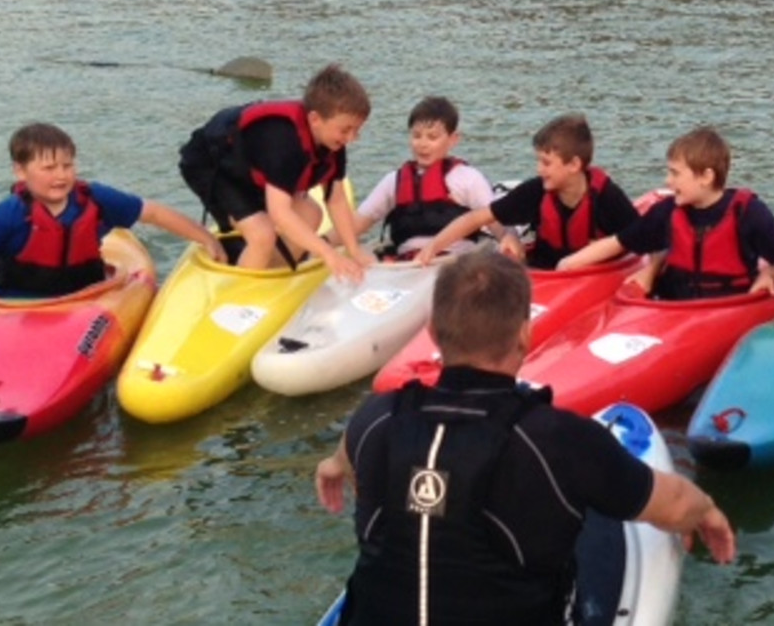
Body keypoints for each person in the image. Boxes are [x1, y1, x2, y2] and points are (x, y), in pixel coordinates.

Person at [314, 251, 735, 626]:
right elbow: (674, 505)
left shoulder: (375, 418)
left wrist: (332, 466)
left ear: (434, 331)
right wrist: (708, 511)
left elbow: (345, 456)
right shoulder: (558, 439)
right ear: (524, 335)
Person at [0, 122, 224, 327]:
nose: (61, 175)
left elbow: (154, 213)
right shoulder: (4, 216)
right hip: (12, 305)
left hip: (85, 298)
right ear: (20, 172)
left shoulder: (95, 199)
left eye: (67, 165)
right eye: (48, 167)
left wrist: (207, 240)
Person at [178, 63, 372, 281]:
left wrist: (354, 250)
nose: (351, 138)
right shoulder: (284, 144)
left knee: (311, 214)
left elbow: (335, 200)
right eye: (346, 129)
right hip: (211, 165)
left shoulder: (333, 142)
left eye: (357, 130)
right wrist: (327, 253)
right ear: (315, 119)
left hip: (252, 167)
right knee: (262, 235)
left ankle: (272, 273)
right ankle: (238, 293)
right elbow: (280, 212)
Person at [555, 127, 774, 300]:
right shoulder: (668, 212)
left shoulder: (748, 213)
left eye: (675, 173)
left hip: (729, 306)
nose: (667, 181)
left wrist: (773, 275)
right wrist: (567, 265)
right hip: (674, 306)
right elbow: (619, 242)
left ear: (706, 177)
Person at [416, 113, 639, 269]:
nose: (539, 169)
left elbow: (641, 238)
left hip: (591, 276)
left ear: (574, 165)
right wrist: (432, 248)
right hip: (546, 273)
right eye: (538, 161)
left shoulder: (608, 197)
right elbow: (476, 218)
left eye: (546, 163)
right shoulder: (537, 191)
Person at [351, 96, 500, 261]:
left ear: (453, 139)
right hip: (409, 264)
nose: (422, 144)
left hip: (457, 264)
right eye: (416, 136)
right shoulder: (394, 181)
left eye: (432, 137)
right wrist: (322, 242)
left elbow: (497, 221)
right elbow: (355, 225)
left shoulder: (468, 178)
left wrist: (509, 240)